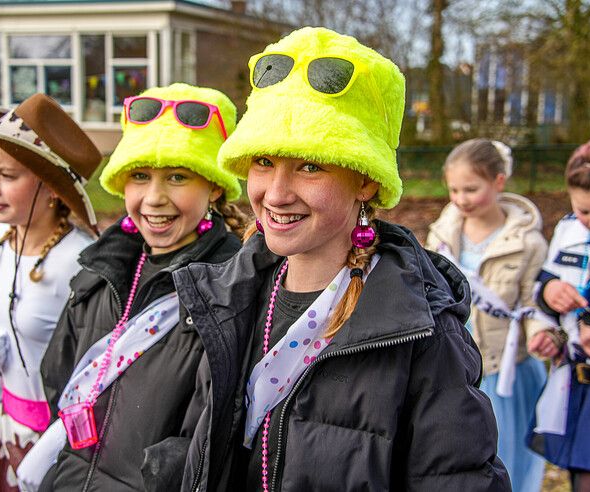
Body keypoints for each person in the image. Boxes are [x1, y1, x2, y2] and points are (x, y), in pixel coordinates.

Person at [165, 27, 510, 491]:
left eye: (310, 166)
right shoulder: (224, 300)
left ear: (365, 181)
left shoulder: (425, 333)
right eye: (263, 162)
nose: (277, 193)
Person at [16, 83, 247, 491]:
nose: (154, 198)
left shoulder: (231, 290)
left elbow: (215, 437)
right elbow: (58, 376)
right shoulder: (99, 271)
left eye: (178, 176)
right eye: (140, 176)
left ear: (214, 187)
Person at [0, 93, 103, 491]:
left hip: (57, 444)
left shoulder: (81, 261)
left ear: (51, 187)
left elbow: (97, 363)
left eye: (7, 176)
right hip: (3, 429)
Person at [426, 138, 556, 492]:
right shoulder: (442, 231)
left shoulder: (528, 242)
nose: (461, 198)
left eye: (471, 188)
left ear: (499, 181)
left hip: (504, 372)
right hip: (454, 363)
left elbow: (534, 301)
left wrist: (542, 332)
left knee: (505, 460)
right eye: (454, 189)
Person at [528, 139, 590, 492]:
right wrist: (549, 292)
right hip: (575, 383)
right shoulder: (569, 230)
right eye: (584, 210)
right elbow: (545, 284)